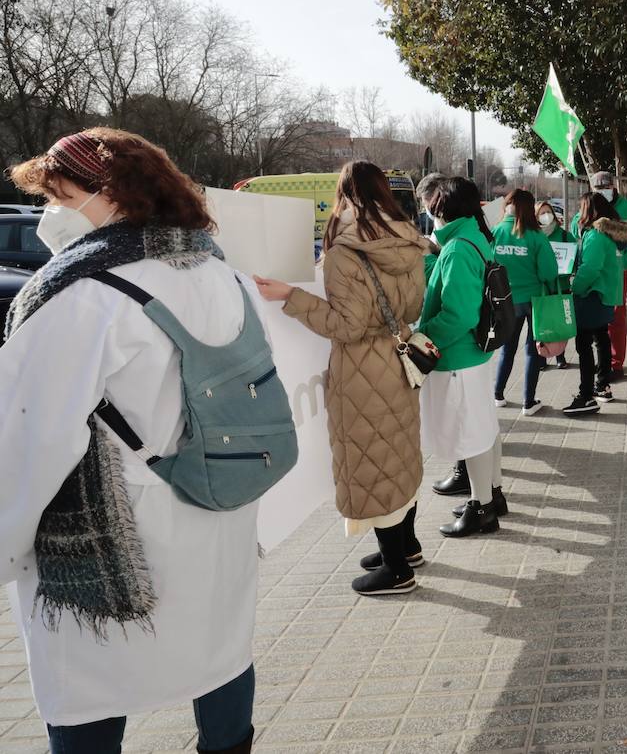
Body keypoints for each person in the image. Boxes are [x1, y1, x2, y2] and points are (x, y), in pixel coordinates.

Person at [0, 128, 263, 753]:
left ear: (108, 194)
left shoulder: (83, 296)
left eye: (61, 195)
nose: (52, 214)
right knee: (220, 650)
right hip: (215, 502)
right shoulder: (215, 270)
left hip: (115, 545)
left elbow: (28, 438)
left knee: (87, 682)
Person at [255, 161, 430, 597]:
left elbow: (348, 326)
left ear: (345, 193)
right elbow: (410, 309)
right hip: (398, 357)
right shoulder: (407, 238)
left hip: (362, 367)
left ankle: (396, 569)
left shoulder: (344, 251)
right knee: (397, 454)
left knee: (371, 461)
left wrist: (291, 297)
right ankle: (407, 547)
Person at [413, 174, 507, 538]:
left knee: (472, 434)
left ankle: (481, 507)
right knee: (483, 428)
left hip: (458, 357)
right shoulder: (475, 238)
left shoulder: (457, 248)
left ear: (442, 208)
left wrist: (422, 339)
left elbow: (458, 314)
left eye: (432, 206)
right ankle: (492, 495)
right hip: (475, 355)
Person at [563, 190, 627, 414]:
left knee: (583, 346)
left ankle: (586, 396)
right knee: (601, 338)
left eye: (581, 209)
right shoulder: (611, 236)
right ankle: (602, 386)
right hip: (606, 296)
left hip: (592, 296)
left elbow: (590, 269)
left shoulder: (594, 235)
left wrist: (575, 288)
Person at [491, 188, 559, 414]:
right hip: (534, 301)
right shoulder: (536, 236)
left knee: (506, 349)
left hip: (505, 300)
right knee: (532, 350)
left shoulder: (495, 232)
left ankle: (497, 394)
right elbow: (549, 272)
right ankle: (528, 402)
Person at [573, 170, 627, 378]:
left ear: (613, 186)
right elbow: (575, 229)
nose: (603, 191)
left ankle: (616, 363)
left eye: (606, 187)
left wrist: (624, 262)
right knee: (597, 323)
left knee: (617, 317)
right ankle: (602, 366)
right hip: (594, 272)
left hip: (613, 272)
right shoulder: (589, 205)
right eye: (599, 188)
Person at [537, 198, 576, 369]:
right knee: (542, 323)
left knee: (560, 322)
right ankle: (541, 356)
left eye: (548, 212)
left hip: (562, 285)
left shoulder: (565, 235)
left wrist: (568, 264)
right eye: (541, 213)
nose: (546, 216)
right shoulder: (534, 236)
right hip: (541, 287)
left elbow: (575, 260)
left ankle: (560, 355)